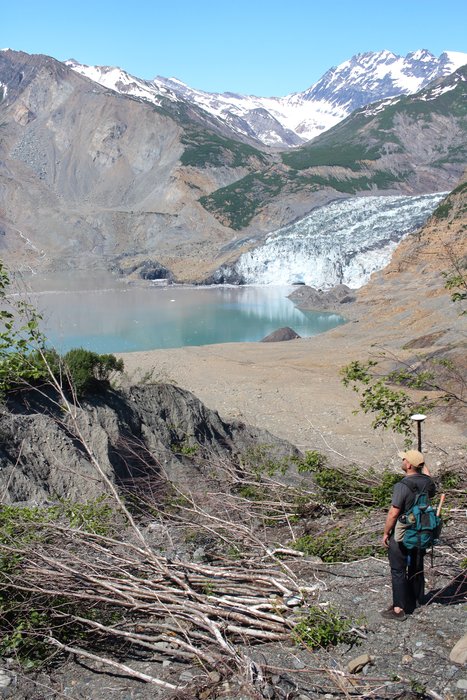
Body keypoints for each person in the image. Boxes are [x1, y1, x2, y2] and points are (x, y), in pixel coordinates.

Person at [381, 449, 436, 621]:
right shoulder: (428, 483)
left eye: (404, 459)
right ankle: (417, 599)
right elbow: (431, 486)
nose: (402, 461)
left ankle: (399, 609)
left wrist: (385, 532)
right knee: (417, 565)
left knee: (398, 569)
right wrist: (425, 469)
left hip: (404, 532)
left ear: (409, 465)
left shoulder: (402, 486)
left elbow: (393, 513)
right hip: (422, 531)